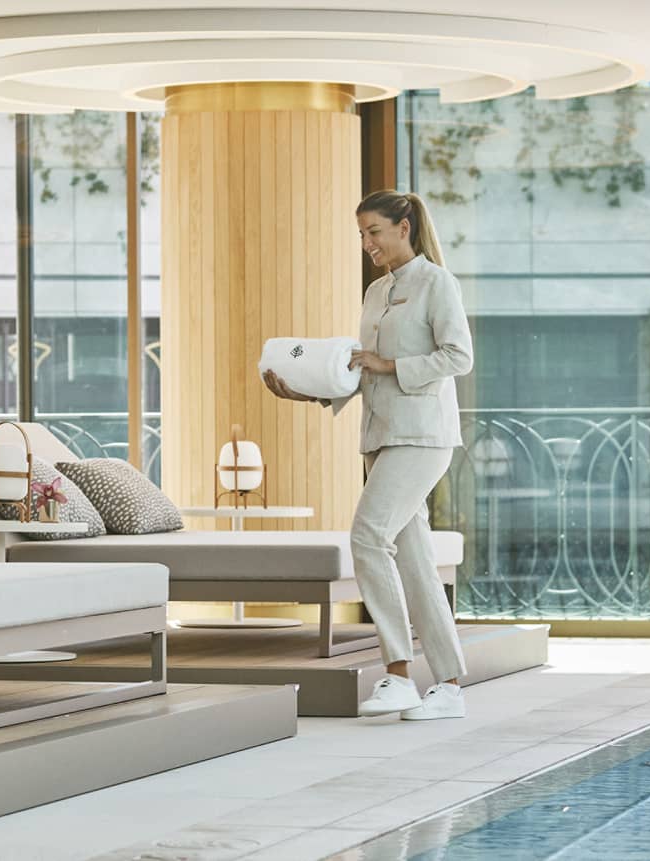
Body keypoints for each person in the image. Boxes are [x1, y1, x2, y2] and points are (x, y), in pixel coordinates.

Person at [263, 190, 472, 721]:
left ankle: (398, 673)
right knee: (417, 561)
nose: (366, 243)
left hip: (422, 436)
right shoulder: (377, 291)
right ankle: (448, 686)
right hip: (380, 435)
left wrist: (390, 365)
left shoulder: (435, 282)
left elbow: (458, 357)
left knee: (367, 535)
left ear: (404, 227)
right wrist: (305, 390)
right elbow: (362, 369)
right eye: (361, 234)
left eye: (374, 231)